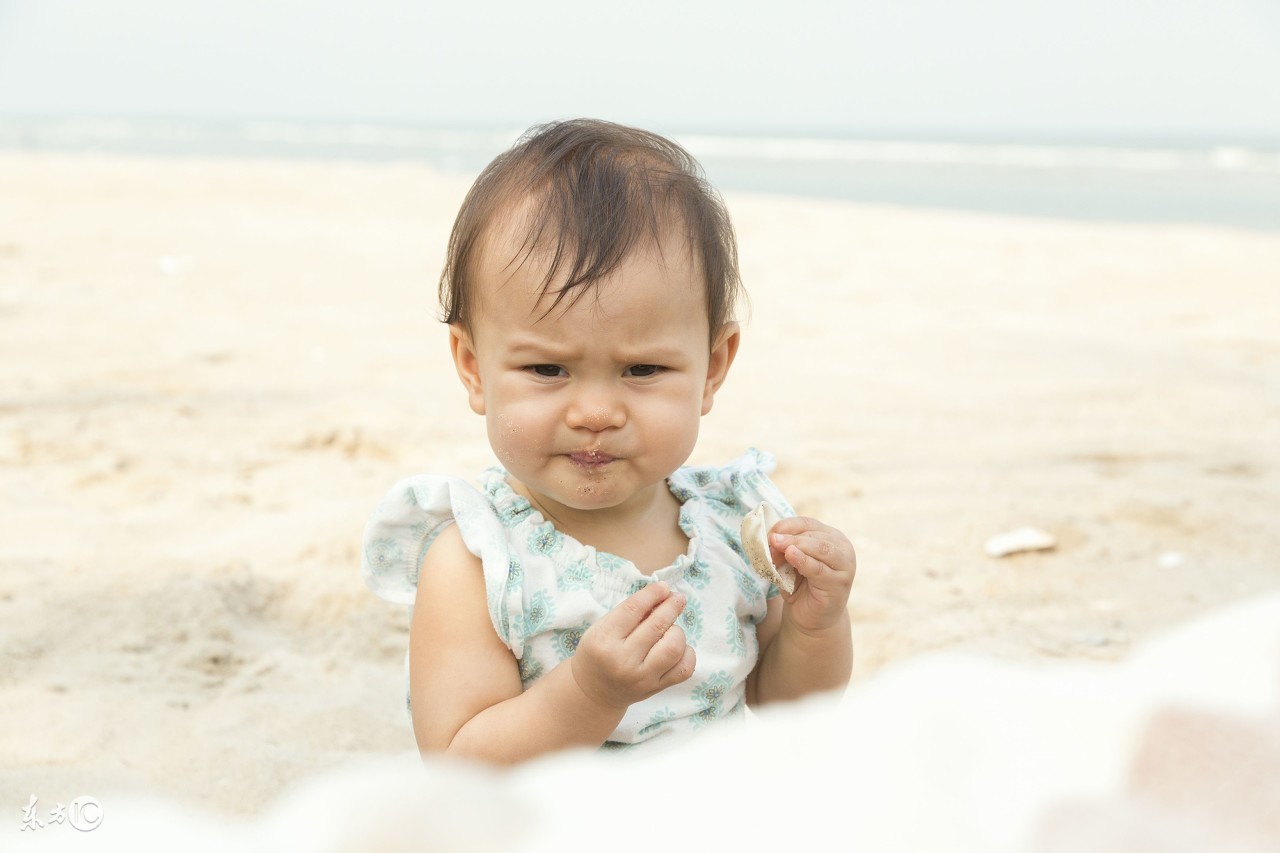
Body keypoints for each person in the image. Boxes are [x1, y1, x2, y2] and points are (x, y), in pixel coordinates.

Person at [362, 119, 855, 763]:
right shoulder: (478, 561)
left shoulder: (735, 526)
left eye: (642, 370)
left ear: (712, 367)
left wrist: (817, 626)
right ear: (473, 366)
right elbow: (460, 764)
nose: (596, 412)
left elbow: (789, 709)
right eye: (548, 370)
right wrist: (588, 695)